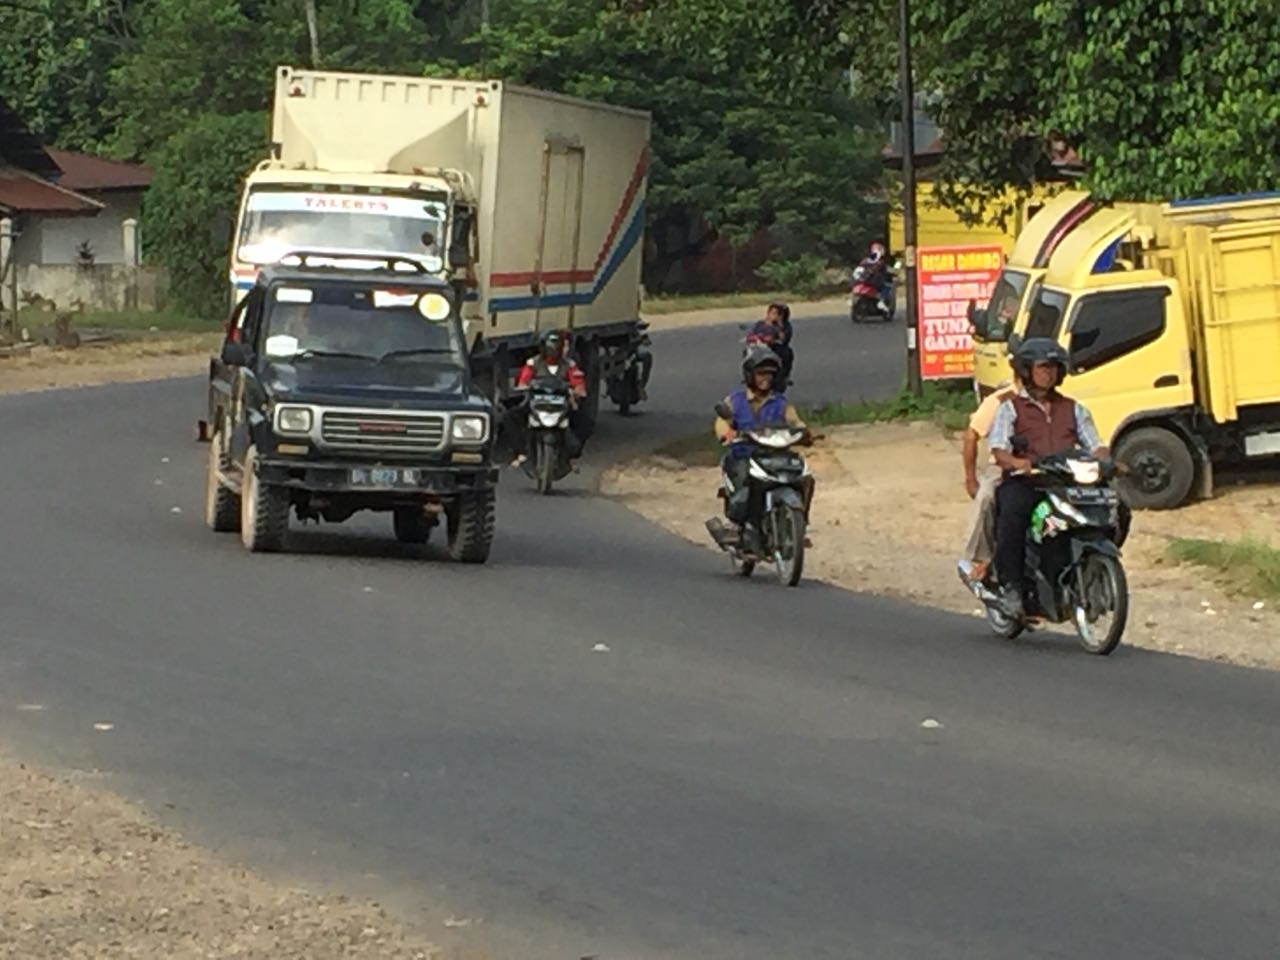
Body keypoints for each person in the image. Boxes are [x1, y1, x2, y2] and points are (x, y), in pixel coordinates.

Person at [988, 338, 1110, 616]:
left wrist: (1106, 460)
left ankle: (1093, 568)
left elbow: (1095, 444)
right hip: (1028, 482)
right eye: (1043, 367)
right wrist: (1018, 462)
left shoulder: (1073, 408)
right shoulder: (1010, 408)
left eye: (1054, 367)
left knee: (1115, 507)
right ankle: (1012, 588)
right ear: (1026, 370)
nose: (1049, 373)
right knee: (1012, 514)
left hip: (1066, 483)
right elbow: (998, 451)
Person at [710, 345, 807, 554]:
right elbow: (722, 421)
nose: (766, 378)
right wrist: (726, 433)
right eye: (761, 373)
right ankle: (737, 527)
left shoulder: (781, 403)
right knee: (743, 485)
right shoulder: (735, 400)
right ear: (750, 375)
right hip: (744, 455)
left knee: (804, 477)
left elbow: (795, 421)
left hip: (776, 454)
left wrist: (805, 433)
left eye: (770, 374)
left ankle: (797, 525)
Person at [957, 374, 1020, 585]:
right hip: (1005, 466)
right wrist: (970, 478)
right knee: (986, 496)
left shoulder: (1057, 400)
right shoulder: (1002, 400)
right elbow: (971, 436)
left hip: (1045, 466)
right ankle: (979, 558)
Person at [511, 330, 589, 463]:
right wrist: (523, 387)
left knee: (585, 422)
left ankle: (572, 455)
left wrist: (578, 391)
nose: (557, 350)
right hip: (537, 404)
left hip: (561, 405)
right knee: (511, 417)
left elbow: (579, 383)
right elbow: (523, 381)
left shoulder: (569, 365)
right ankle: (521, 451)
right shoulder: (533, 364)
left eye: (561, 346)